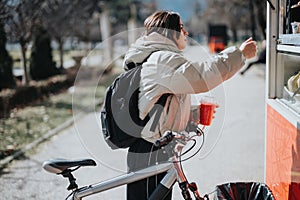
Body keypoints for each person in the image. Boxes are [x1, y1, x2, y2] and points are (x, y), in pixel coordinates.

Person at [123, 10, 257, 200]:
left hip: (155, 147)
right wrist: (240, 54)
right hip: (151, 151)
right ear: (169, 33)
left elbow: (162, 101)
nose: (185, 33)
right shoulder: (162, 59)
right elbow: (202, 76)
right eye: (181, 28)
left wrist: (190, 113)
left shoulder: (159, 57)